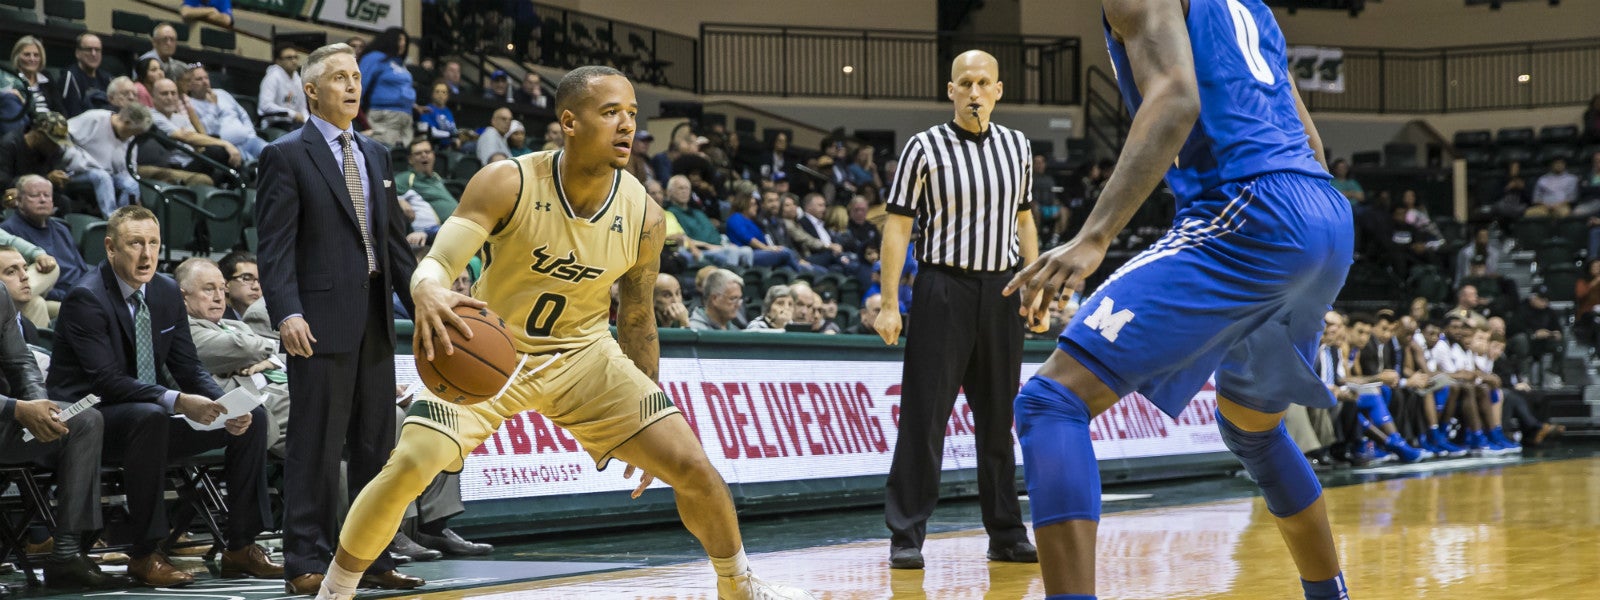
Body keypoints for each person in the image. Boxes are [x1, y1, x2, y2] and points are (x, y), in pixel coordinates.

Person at [319, 66, 814, 600]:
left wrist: (648, 402)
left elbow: (638, 318)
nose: (626, 125)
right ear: (570, 122)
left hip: (584, 355)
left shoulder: (645, 215)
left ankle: (739, 586)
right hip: (494, 352)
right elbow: (438, 262)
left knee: (694, 467)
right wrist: (428, 288)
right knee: (411, 463)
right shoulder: (508, 181)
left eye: (631, 114)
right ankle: (336, 589)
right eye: (610, 113)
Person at [1004, 1, 1356, 598]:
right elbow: (1310, 138)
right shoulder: (1251, 5)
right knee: (1253, 431)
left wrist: (1094, 238)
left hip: (1248, 207)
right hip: (1323, 210)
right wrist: (1307, 245)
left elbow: (1176, 97)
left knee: (1050, 401)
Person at [255, 43, 419, 594]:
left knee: (377, 449)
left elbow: (395, 246)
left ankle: (372, 558)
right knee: (316, 448)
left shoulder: (376, 153)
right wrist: (287, 313)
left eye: (356, 77)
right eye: (340, 78)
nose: (353, 86)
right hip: (318, 322)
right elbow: (274, 248)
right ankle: (305, 559)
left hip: (374, 318)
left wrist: (425, 309)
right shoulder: (286, 153)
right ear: (311, 91)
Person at [49, 206, 279, 587]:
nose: (146, 254)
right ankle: (145, 553)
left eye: (153, 243)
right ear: (110, 248)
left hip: (149, 416)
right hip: (91, 421)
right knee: (150, 416)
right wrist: (178, 400)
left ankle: (241, 546)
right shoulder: (85, 298)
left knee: (250, 424)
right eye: (135, 243)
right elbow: (106, 381)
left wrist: (221, 407)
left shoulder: (166, 291)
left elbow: (188, 367)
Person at [876, 49, 1040, 571]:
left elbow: (1025, 222)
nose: (974, 91)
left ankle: (1006, 534)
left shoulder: (1019, 147)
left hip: (1003, 292)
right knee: (925, 417)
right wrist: (888, 303)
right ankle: (906, 535)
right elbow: (897, 227)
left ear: (998, 90)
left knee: (998, 421)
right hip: (942, 288)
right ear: (950, 90)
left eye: (983, 82)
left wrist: (1035, 290)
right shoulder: (923, 148)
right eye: (964, 82)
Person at [0, 284, 121, 590]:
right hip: (8, 410)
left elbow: (20, 361)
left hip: (6, 418)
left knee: (85, 420)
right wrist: (17, 408)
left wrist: (38, 405)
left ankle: (67, 554)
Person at [67, 104, 151, 217]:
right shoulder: (95, 118)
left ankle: (124, 219)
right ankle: (111, 220)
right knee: (102, 177)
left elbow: (129, 170)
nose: (134, 136)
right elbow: (63, 135)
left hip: (109, 173)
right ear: (126, 122)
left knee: (131, 184)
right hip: (77, 171)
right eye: (134, 131)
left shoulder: (130, 140)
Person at [357, 28, 418, 149]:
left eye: (405, 40)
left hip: (406, 118)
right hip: (384, 116)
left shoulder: (399, 63)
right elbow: (360, 83)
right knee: (383, 152)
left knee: (400, 157)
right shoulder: (374, 57)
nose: (403, 43)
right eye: (399, 39)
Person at [7, 37, 64, 119]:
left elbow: (59, 109)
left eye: (36, 55)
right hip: (27, 125)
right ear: (17, 56)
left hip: (52, 124)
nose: (32, 59)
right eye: (27, 54)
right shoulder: (11, 79)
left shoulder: (47, 78)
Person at [61, 33, 112, 118]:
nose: (93, 54)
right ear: (77, 53)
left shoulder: (108, 78)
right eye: (89, 49)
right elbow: (72, 115)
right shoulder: (70, 77)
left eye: (97, 50)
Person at [259, 45, 308, 130]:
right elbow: (265, 105)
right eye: (289, 58)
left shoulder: (298, 79)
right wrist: (291, 113)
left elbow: (302, 108)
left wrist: (308, 122)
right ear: (278, 61)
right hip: (274, 124)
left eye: (296, 57)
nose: (294, 61)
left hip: (294, 123)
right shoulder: (272, 77)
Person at [218, 250, 259, 322]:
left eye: (260, 281)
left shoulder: (265, 318)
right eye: (247, 279)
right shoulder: (217, 319)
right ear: (225, 284)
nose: (256, 287)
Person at [418, 81, 459, 150]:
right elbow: (430, 132)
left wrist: (456, 139)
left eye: (444, 92)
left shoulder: (448, 112)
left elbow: (453, 129)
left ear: (447, 96)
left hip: (450, 147)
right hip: (434, 148)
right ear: (432, 94)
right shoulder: (427, 110)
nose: (440, 95)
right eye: (437, 91)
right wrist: (451, 136)